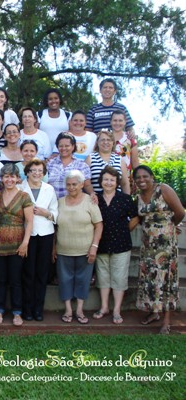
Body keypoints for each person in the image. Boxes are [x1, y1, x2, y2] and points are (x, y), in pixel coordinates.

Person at [132, 165, 185, 334]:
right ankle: (154, 312)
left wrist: (170, 226)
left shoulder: (163, 189)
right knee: (150, 278)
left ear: (152, 176)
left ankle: (166, 320)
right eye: (138, 177)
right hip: (147, 245)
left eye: (145, 176)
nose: (142, 180)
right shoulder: (138, 197)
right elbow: (139, 219)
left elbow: (180, 212)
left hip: (166, 246)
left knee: (166, 279)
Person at [54, 170, 103, 324]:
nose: (71, 187)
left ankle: (80, 310)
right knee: (64, 279)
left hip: (85, 250)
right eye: (68, 184)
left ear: (82, 184)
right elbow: (55, 227)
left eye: (75, 184)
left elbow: (99, 225)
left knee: (83, 279)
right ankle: (68, 310)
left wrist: (94, 246)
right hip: (63, 250)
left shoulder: (90, 201)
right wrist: (53, 247)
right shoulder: (60, 202)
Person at [93, 166, 138, 324]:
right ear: (101, 181)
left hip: (121, 244)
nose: (108, 182)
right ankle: (104, 307)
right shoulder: (95, 198)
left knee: (119, 278)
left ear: (117, 182)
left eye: (112, 180)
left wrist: (126, 230)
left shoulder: (125, 199)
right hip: (101, 244)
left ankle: (117, 310)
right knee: (103, 277)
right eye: (105, 179)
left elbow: (135, 217)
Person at [0, 164, 34, 326]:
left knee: (16, 279)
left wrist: (25, 243)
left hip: (18, 243)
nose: (9, 179)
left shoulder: (24, 196)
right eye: (6, 176)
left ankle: (17, 312)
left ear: (18, 178)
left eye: (12, 176)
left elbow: (29, 221)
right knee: (0, 279)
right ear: (2, 179)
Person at [20, 159, 57, 321]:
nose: (36, 173)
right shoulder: (20, 188)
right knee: (28, 273)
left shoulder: (49, 189)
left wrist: (46, 213)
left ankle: (38, 309)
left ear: (44, 173)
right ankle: (26, 309)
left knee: (42, 273)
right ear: (27, 172)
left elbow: (56, 214)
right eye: (33, 170)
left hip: (45, 235)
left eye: (40, 171)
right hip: (26, 236)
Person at [47, 132, 93, 199]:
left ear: (73, 146)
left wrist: (92, 194)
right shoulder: (50, 164)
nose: (64, 148)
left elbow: (87, 185)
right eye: (61, 146)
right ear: (57, 147)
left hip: (74, 205)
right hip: (53, 204)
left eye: (67, 146)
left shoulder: (82, 165)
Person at [86, 130, 130, 194]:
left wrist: (127, 199)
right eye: (102, 140)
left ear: (113, 143)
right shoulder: (90, 158)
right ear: (97, 142)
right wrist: (92, 195)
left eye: (108, 140)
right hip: (95, 200)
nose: (106, 142)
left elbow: (125, 183)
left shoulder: (120, 159)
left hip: (117, 201)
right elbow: (86, 181)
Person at [111, 110, 139, 180]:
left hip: (126, 178)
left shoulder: (130, 139)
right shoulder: (105, 138)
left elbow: (135, 162)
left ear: (125, 122)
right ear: (110, 122)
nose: (117, 123)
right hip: (108, 178)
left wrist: (137, 177)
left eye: (120, 120)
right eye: (115, 120)